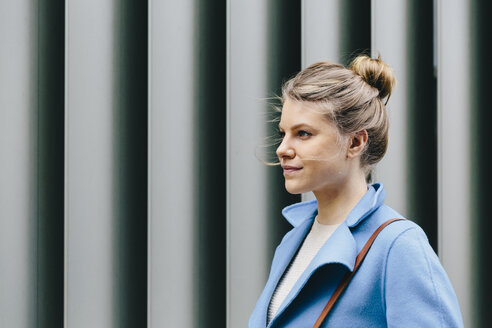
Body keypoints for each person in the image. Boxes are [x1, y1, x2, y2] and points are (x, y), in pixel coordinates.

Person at [248, 55, 463, 327]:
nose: (282, 149)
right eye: (283, 133)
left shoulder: (398, 245)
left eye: (303, 133)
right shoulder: (292, 242)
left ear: (355, 142)